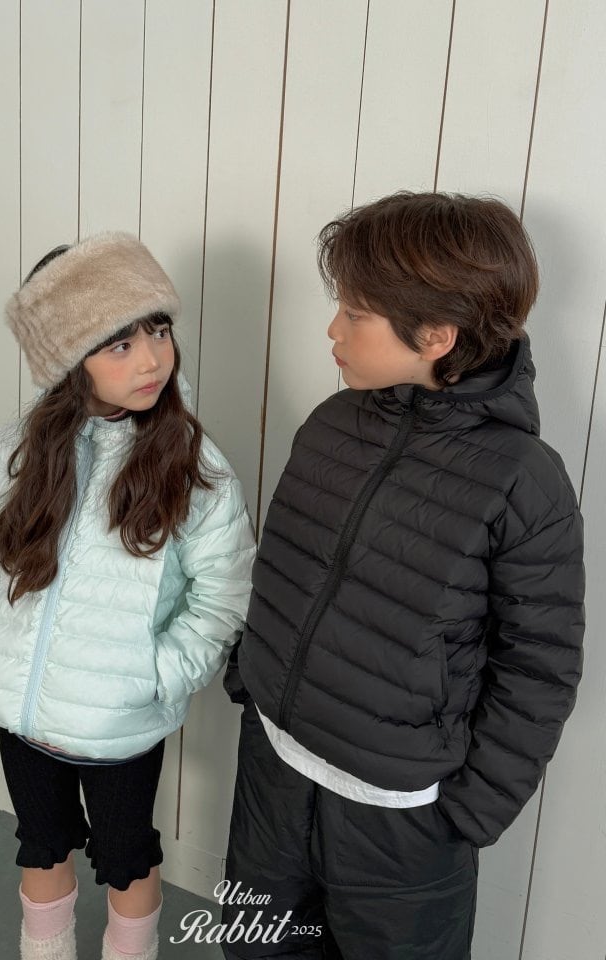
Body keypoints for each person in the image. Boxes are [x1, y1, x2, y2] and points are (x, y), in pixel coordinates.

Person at [222, 192, 586, 960]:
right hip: (274, 771)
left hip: (399, 821)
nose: (333, 328)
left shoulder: (522, 480)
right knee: (254, 948)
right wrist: (250, 676)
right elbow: (284, 569)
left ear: (436, 336)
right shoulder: (331, 425)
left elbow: (540, 666)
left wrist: (469, 812)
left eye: (355, 313)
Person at [0, 232, 256, 960]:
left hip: (119, 727)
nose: (151, 359)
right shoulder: (12, 452)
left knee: (126, 860)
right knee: (41, 845)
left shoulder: (192, 467)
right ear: (65, 358)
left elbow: (223, 595)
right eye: (118, 343)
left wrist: (153, 675)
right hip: (21, 717)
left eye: (158, 330)